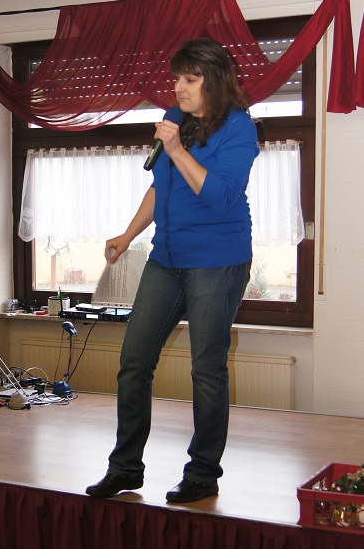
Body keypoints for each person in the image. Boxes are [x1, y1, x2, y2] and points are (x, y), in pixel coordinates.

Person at [86, 38, 259, 504]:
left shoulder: (238, 127)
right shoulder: (174, 116)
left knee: (206, 369)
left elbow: (220, 196)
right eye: (176, 79)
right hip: (167, 258)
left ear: (214, 80)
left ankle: (202, 474)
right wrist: (128, 235)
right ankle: (125, 468)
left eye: (190, 79)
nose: (179, 88)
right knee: (134, 362)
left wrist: (178, 147)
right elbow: (160, 186)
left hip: (218, 261)